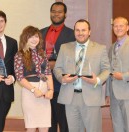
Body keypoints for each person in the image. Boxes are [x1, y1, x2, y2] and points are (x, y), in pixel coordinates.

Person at [53, 19, 110, 132]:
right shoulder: (65, 47)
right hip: (70, 97)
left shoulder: (100, 48)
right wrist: (62, 78)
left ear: (89, 32)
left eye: (83, 30)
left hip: (91, 96)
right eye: (77, 30)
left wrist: (98, 80)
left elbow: (107, 69)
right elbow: (57, 68)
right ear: (74, 32)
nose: (80, 33)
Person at [40, 2, 75, 132]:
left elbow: (74, 58)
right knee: (48, 122)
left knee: (64, 122)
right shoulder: (40, 33)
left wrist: (57, 63)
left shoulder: (72, 34)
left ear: (65, 14)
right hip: (44, 84)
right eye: (54, 11)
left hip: (63, 85)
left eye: (59, 11)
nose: (56, 14)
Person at [14, 26, 54, 132]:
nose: (34, 39)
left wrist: (51, 90)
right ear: (25, 38)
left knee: (44, 127)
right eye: (30, 36)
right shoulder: (20, 54)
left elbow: (48, 73)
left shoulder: (42, 53)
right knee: (31, 127)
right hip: (29, 93)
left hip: (44, 92)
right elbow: (19, 77)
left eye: (36, 36)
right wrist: (33, 89)